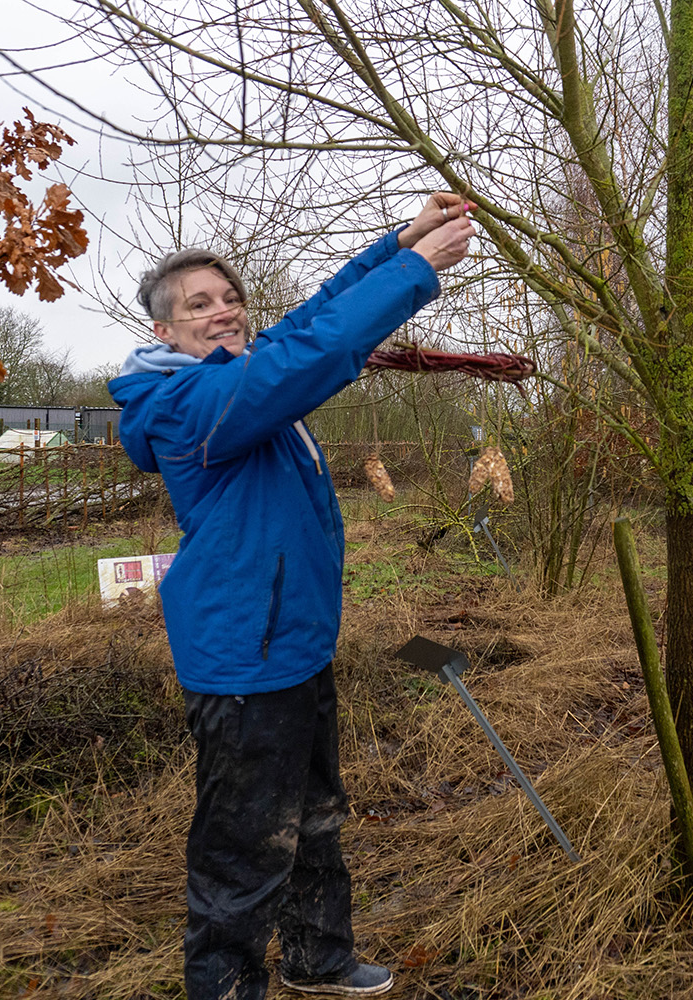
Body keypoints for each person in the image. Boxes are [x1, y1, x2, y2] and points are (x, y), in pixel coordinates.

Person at [108, 194, 474, 1000]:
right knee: (244, 845)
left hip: (294, 642)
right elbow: (311, 354)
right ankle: (226, 986)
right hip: (245, 655)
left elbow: (312, 317)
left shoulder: (237, 378)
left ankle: (318, 957)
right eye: (198, 305)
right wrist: (418, 273)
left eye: (229, 297)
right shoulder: (187, 406)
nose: (223, 311)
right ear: (163, 333)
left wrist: (396, 242)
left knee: (314, 817)